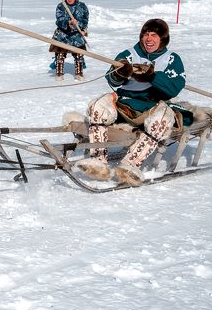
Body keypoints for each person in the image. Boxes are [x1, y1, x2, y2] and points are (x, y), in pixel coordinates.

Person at [76, 18, 192, 186]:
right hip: (125, 103)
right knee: (97, 105)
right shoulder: (129, 55)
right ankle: (98, 162)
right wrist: (120, 73)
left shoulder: (171, 59)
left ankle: (130, 165)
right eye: (146, 34)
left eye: (154, 35)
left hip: (153, 105)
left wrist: (152, 76)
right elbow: (112, 80)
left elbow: (174, 88)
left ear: (163, 38)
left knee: (162, 120)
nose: (149, 39)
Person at [49, 0, 88, 81]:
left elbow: (85, 20)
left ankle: (79, 74)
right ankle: (59, 74)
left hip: (76, 35)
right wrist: (69, 22)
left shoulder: (82, 6)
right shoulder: (61, 6)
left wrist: (82, 28)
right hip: (63, 35)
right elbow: (59, 20)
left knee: (79, 54)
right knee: (60, 55)